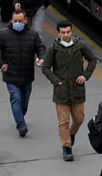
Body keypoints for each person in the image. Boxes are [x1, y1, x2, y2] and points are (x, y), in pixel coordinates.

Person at [40, 21, 97, 161]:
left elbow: (93, 59)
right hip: (61, 91)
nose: (66, 34)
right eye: (63, 32)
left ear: (71, 32)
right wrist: (56, 81)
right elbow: (45, 68)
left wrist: (85, 75)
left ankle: (71, 134)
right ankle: (66, 147)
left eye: (68, 32)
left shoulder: (80, 45)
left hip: (77, 90)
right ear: (58, 33)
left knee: (79, 118)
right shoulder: (53, 48)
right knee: (63, 122)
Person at [0, 9, 45, 137]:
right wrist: (1, 64)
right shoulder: (4, 34)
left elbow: (40, 48)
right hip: (11, 75)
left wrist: (42, 57)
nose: (17, 23)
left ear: (25, 21)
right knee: (16, 99)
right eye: (15, 21)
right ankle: (21, 125)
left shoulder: (33, 34)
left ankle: (20, 114)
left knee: (24, 102)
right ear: (12, 21)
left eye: (20, 21)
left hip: (27, 75)